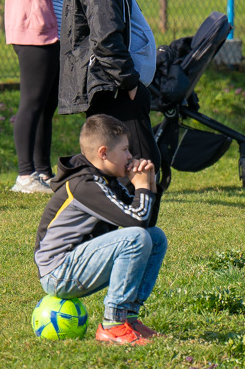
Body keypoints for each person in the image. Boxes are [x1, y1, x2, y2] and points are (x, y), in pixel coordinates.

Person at [34, 114, 166, 345]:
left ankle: (129, 319)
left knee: (155, 238)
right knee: (136, 238)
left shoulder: (106, 180)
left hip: (77, 264)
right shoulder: (84, 185)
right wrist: (141, 188)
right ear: (103, 153)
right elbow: (135, 224)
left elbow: (146, 223)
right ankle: (113, 324)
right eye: (125, 150)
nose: (130, 156)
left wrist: (150, 186)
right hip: (59, 272)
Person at [56, 0, 161, 181]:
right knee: (141, 165)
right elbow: (105, 38)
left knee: (119, 166)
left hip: (111, 83)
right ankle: (138, 223)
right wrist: (129, 83)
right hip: (113, 85)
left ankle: (121, 220)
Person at [4, 0, 83, 194]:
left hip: (51, 31)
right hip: (32, 31)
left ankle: (42, 171)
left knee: (47, 104)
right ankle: (25, 175)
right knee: (32, 103)